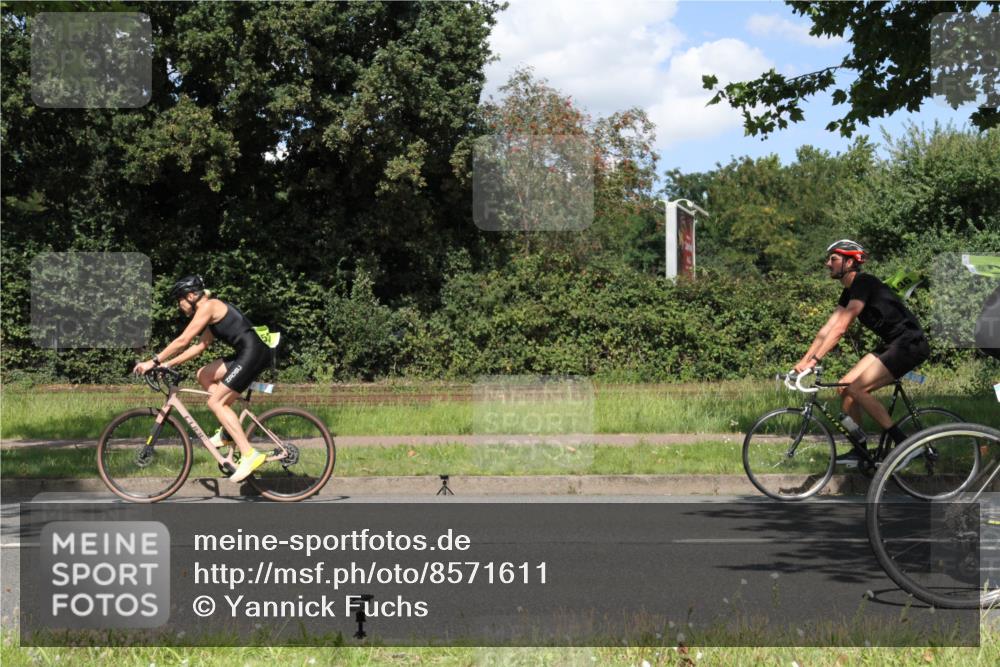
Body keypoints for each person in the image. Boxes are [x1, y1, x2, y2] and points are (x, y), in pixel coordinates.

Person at [794, 240, 931, 464]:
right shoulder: (848, 292)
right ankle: (860, 450)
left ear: (849, 262)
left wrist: (816, 359)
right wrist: (804, 360)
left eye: (833, 259)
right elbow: (827, 328)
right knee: (845, 388)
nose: (828, 263)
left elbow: (841, 328)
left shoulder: (864, 283)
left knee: (858, 389)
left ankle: (905, 446)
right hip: (892, 343)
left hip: (909, 344)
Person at [133, 276, 273, 482]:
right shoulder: (208, 310)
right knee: (204, 374)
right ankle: (227, 432)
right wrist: (168, 364)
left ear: (190, 296)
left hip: (254, 353)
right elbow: (199, 346)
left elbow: (183, 340)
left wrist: (152, 362)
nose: (179, 305)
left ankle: (249, 455)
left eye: (179, 300)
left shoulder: (209, 306)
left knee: (215, 402)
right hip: (248, 352)